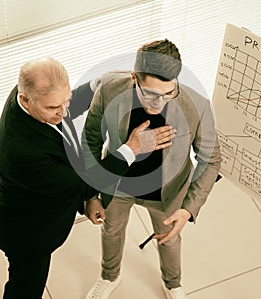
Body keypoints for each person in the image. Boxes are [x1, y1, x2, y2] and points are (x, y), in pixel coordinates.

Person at [0, 57, 174, 299]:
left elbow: (63, 115)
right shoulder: (22, 152)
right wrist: (131, 149)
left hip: (43, 194)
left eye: (66, 101)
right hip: (28, 232)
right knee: (26, 287)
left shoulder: (30, 95)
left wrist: (97, 85)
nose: (62, 113)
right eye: (53, 108)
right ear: (25, 100)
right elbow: (83, 183)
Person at [82, 39, 222, 299]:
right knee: (111, 230)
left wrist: (188, 209)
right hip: (118, 183)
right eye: (150, 93)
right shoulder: (109, 89)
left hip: (167, 192)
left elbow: (211, 159)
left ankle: (172, 284)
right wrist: (90, 194)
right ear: (134, 78)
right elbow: (91, 139)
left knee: (168, 239)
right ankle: (109, 275)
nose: (159, 102)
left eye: (168, 93)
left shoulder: (198, 104)